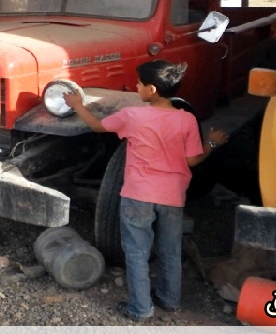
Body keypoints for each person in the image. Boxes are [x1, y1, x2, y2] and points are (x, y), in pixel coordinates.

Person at [63, 59, 229, 322]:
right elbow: (192, 161)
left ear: (151, 89)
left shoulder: (134, 115)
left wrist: (77, 106)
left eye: (139, 83)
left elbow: (97, 125)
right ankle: (170, 300)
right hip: (172, 196)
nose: (136, 86)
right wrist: (212, 142)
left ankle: (140, 309)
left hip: (138, 195)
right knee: (171, 250)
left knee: (137, 252)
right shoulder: (186, 119)